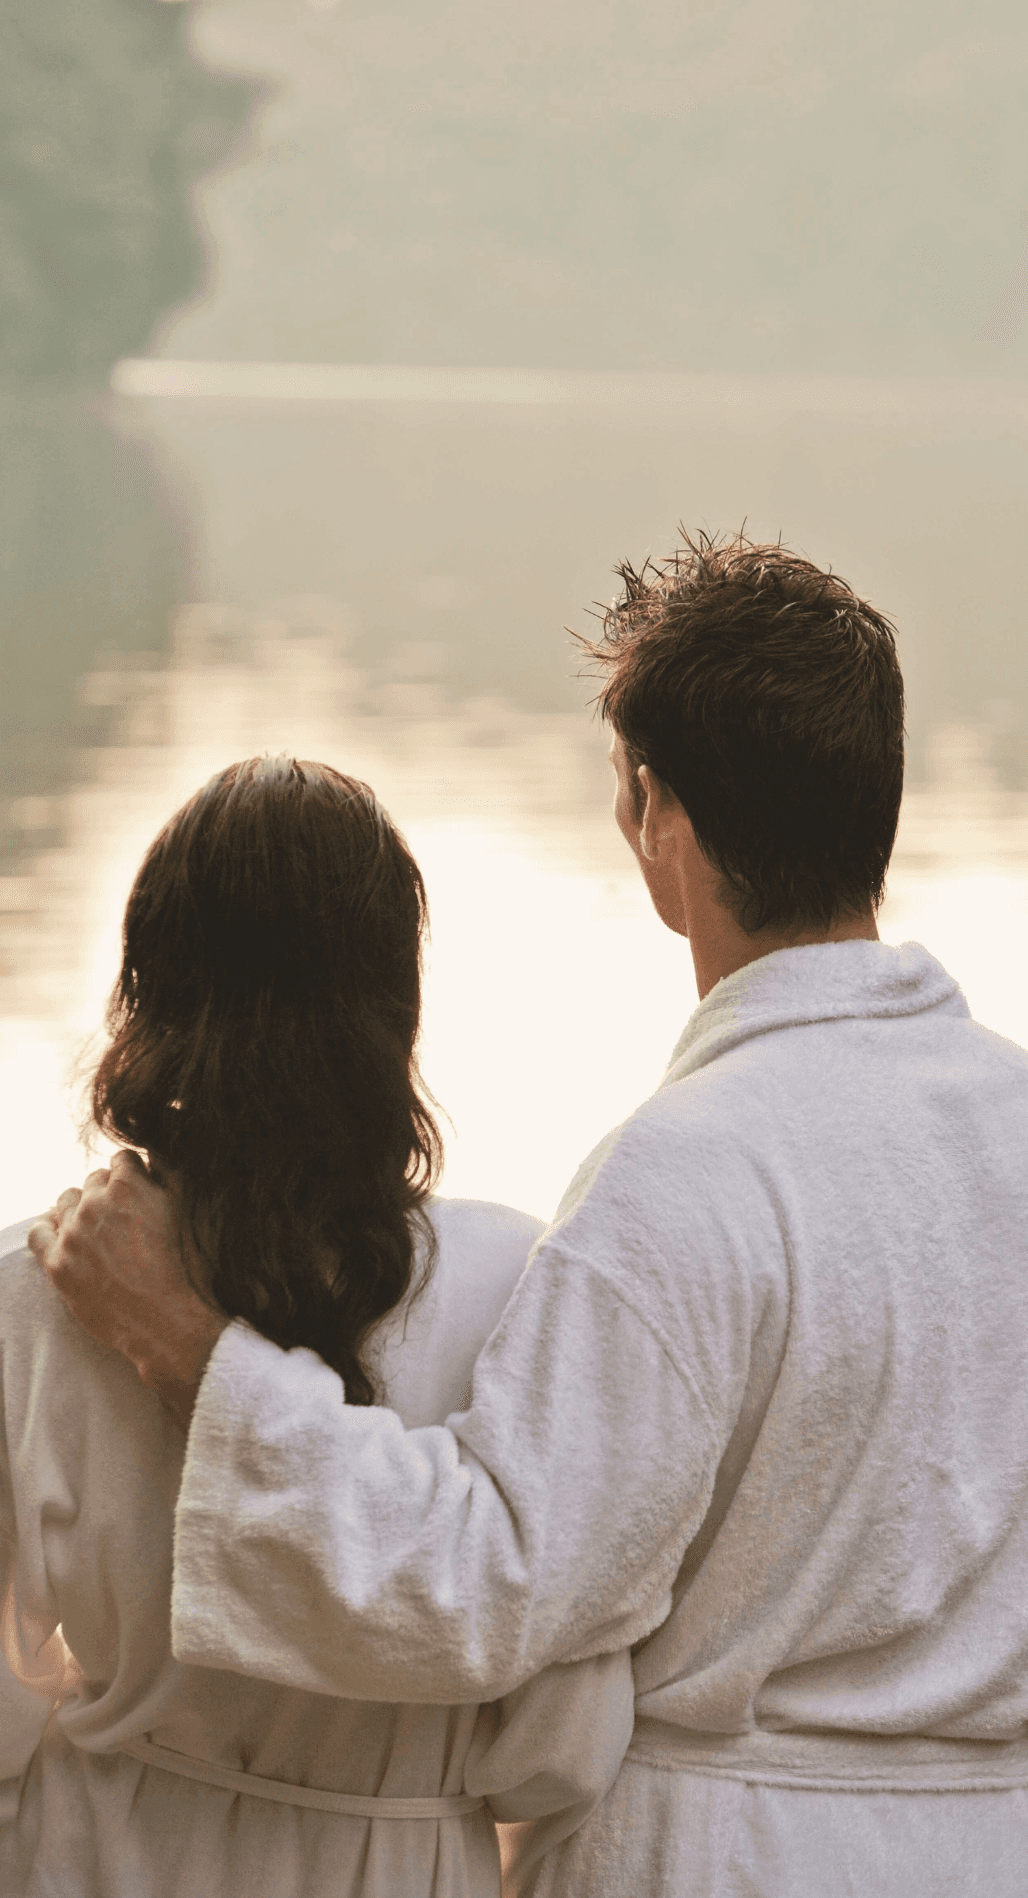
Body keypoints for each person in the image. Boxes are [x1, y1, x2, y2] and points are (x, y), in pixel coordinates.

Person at [33, 531, 1028, 1896]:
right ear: (873, 795)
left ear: (658, 816)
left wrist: (202, 1356)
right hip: (1009, 1845)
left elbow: (487, 1587)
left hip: (728, 1858)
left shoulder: (687, 1172)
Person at [1, 755, 633, 1897]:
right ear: (396, 1009)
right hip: (401, 1862)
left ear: (151, 993)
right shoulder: (519, 1285)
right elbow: (563, 1745)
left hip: (96, 1858)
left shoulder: (40, 1286)